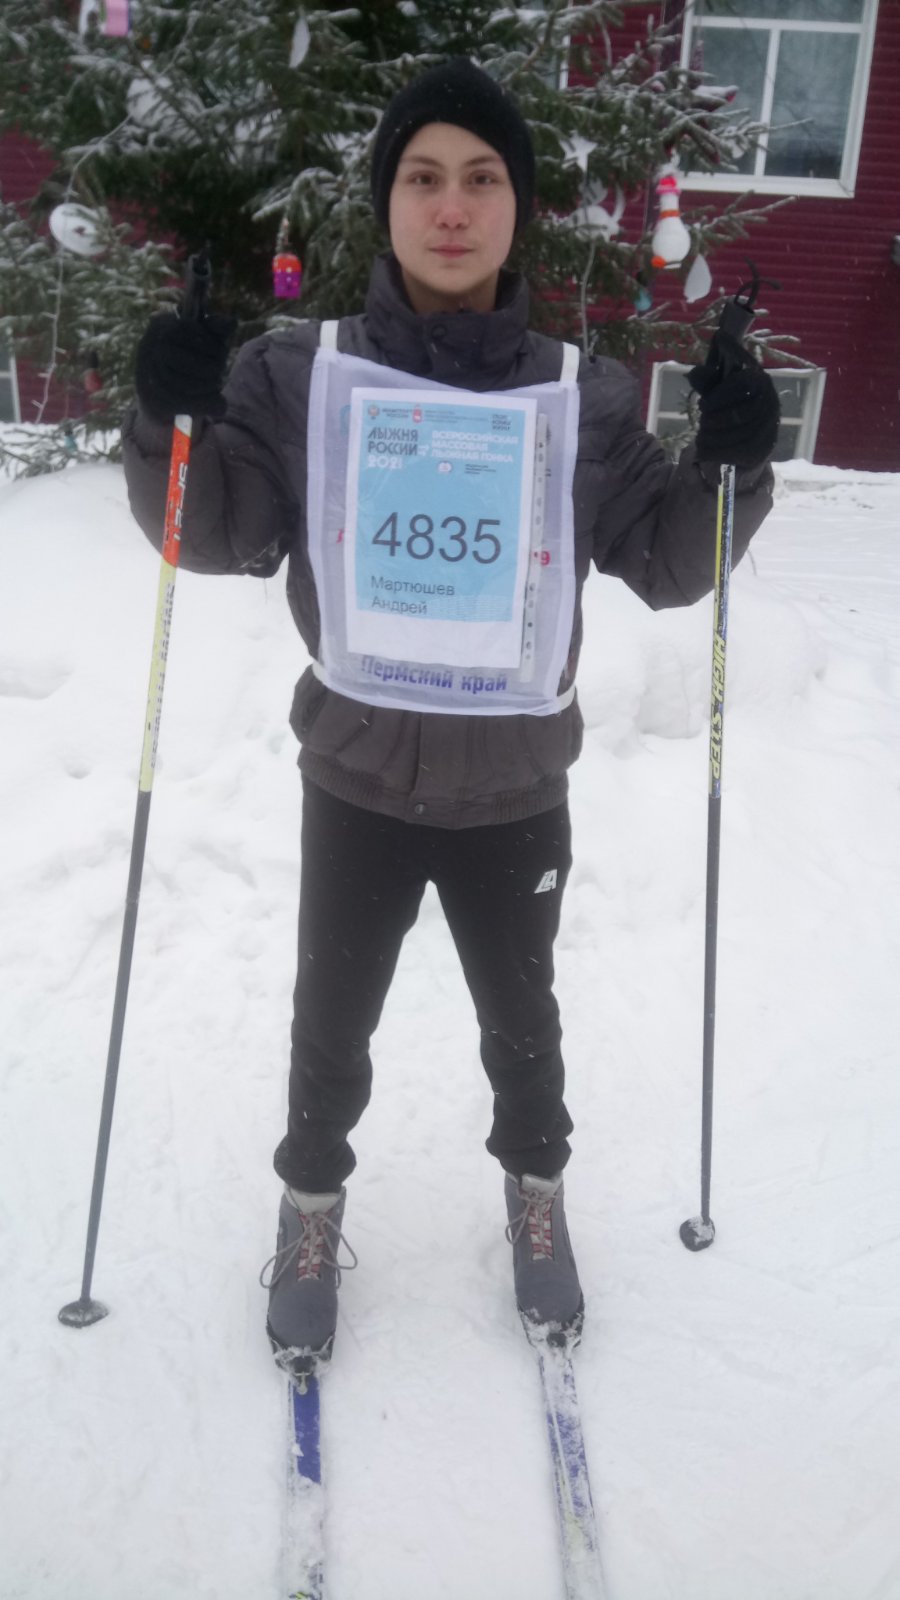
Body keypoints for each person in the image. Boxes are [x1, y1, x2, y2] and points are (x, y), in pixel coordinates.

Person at [123, 58, 779, 1378]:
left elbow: (668, 558)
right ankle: (311, 1207)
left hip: (514, 787)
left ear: (517, 210)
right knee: (331, 1021)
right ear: (389, 204)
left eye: (483, 179)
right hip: (357, 777)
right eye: (423, 176)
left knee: (522, 1021)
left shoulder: (578, 395)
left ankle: (536, 1191)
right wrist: (167, 414)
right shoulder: (303, 375)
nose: (453, 205)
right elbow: (215, 528)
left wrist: (731, 460)